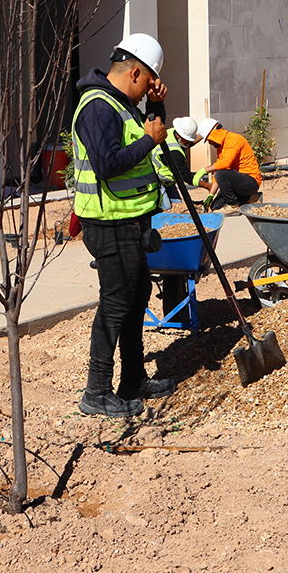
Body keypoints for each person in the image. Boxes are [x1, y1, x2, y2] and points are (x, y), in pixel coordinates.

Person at [72, 33, 175, 417]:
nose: (149, 88)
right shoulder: (98, 108)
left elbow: (153, 136)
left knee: (136, 298)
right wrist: (148, 140)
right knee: (116, 304)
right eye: (148, 82)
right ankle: (96, 391)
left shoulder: (123, 104)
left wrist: (156, 104)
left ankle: (133, 378)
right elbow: (108, 163)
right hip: (108, 223)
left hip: (130, 220)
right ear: (134, 72)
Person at [192, 117, 262, 216]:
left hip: (251, 181)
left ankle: (233, 206)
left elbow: (225, 163)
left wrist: (204, 170)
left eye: (209, 139)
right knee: (215, 207)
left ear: (214, 134)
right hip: (238, 182)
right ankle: (251, 198)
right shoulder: (221, 146)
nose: (210, 143)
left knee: (221, 174)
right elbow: (219, 169)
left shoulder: (234, 139)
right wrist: (210, 196)